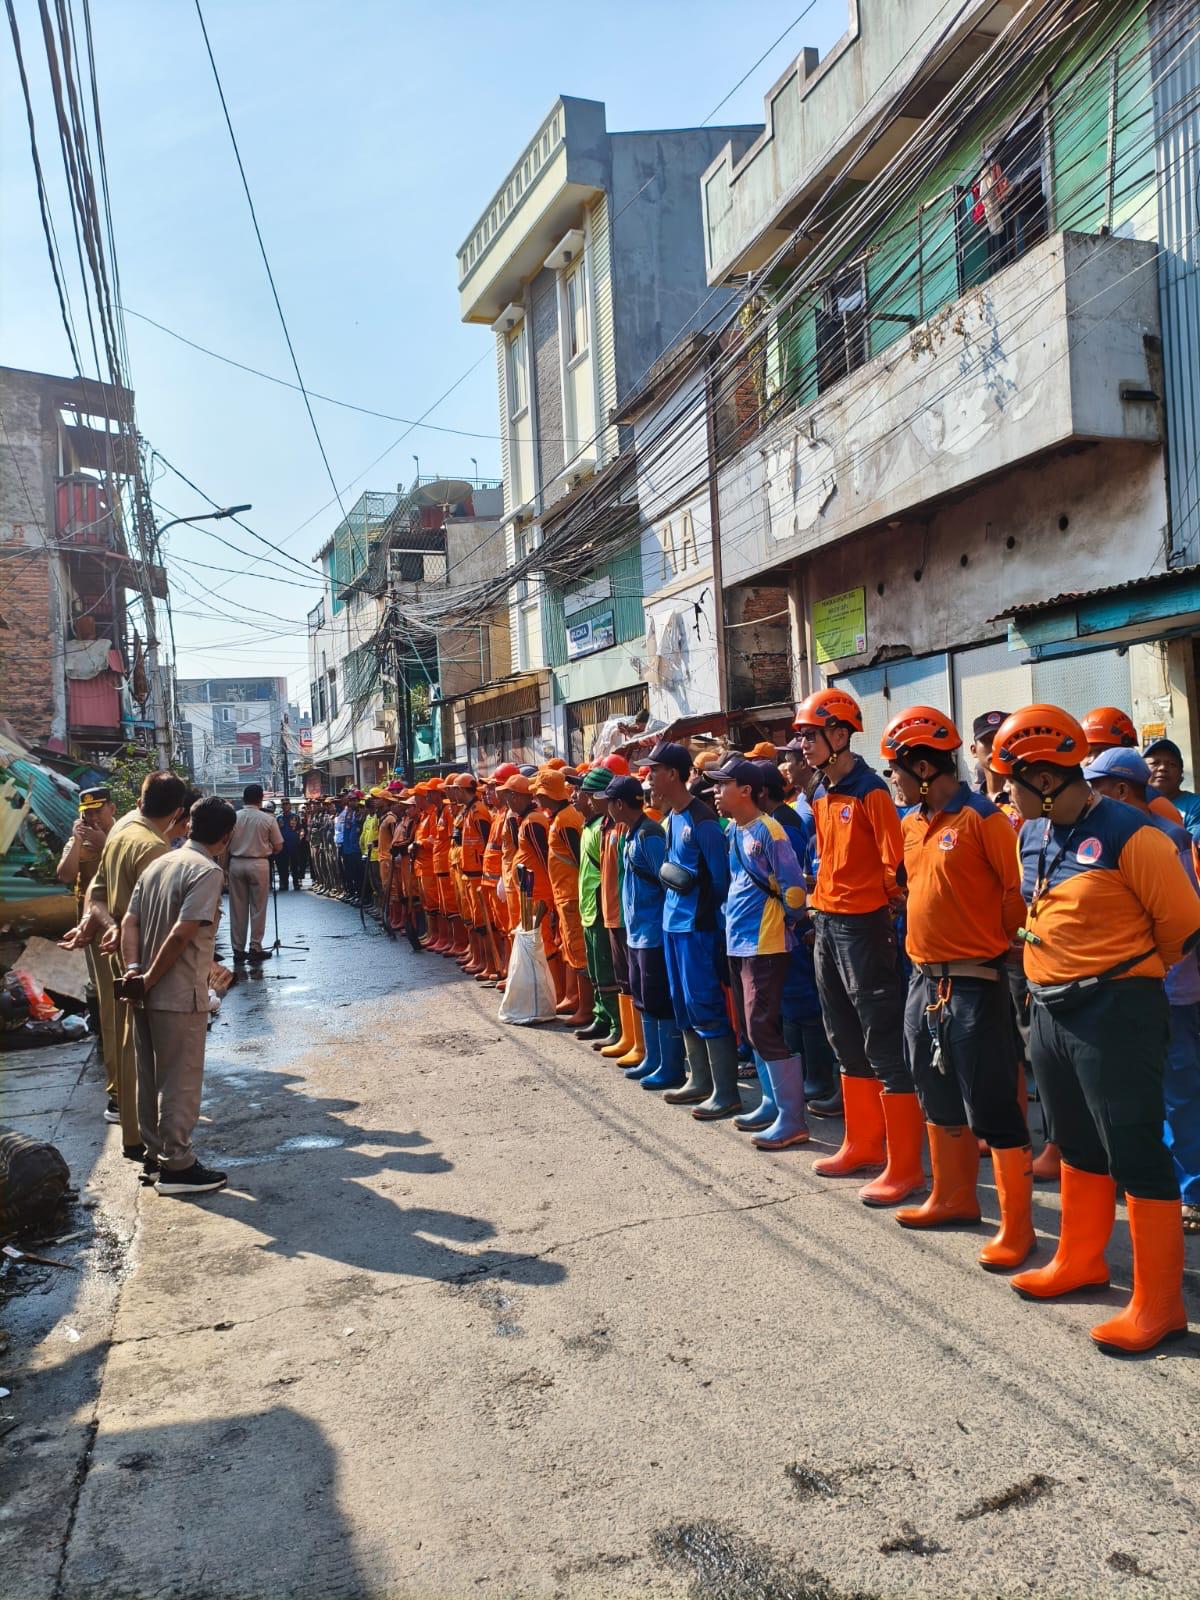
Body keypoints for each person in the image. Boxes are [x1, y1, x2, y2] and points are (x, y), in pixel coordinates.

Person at [992, 704, 1196, 1354]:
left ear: (1046, 777)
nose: (1006, 794)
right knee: (1076, 1143)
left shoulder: (1132, 834)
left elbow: (1183, 926)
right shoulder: (1034, 833)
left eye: (1012, 782)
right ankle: (1081, 1261)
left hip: (1116, 1009)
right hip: (1050, 1008)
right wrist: (1042, 956)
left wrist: (1126, 971)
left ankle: (1159, 1306)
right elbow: (1034, 908)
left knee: (1134, 1148)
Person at [881, 706, 1034, 1268]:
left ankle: (1019, 1228)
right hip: (924, 982)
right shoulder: (911, 823)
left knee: (992, 1103)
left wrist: (999, 940)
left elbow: (1015, 892)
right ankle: (953, 1197)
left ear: (924, 767)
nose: (892, 779)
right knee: (935, 1093)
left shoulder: (983, 820)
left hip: (975, 983)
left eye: (897, 768)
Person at [791, 688, 919, 1207]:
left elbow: (899, 868)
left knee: (882, 1039)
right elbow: (824, 860)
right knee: (842, 1034)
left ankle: (905, 1166)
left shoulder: (872, 791)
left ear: (840, 735)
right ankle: (863, 1144)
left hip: (864, 929)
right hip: (827, 924)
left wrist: (882, 916)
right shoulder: (822, 793)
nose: (802, 745)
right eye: (801, 735)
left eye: (810, 735)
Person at [1084, 746, 1200, 1237]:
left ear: (1123, 790)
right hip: (1135, 988)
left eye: (1098, 786)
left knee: (1177, 1094)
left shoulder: (1163, 836)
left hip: (1169, 989)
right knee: (1141, 1092)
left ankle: (1191, 1191)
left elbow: (1180, 919)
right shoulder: (1120, 831)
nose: (1090, 795)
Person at [60, 773, 191, 1159]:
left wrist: (100, 923)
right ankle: (159, 1149)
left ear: (138, 799)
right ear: (178, 812)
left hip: (114, 946)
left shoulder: (120, 832)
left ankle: (134, 1133)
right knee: (150, 1052)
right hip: (140, 957)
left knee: (123, 1036)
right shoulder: (152, 848)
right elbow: (166, 923)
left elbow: (95, 893)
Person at [118, 795, 237, 1195]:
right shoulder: (205, 871)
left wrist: (135, 971)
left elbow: (129, 923)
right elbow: (182, 932)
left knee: (149, 1079)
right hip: (177, 990)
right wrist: (150, 976)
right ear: (226, 836)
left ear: (187, 825)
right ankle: (177, 1165)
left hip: (143, 991)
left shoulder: (159, 864)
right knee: (180, 1081)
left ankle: (154, 1159)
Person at [710, 757, 811, 1150]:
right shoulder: (735, 829)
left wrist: (794, 923)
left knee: (763, 1027)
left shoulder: (771, 831)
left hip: (766, 943)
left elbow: (793, 888)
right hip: (739, 940)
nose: (716, 793)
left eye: (722, 786)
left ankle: (793, 1119)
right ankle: (771, 1103)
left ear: (746, 790)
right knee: (752, 1029)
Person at [646, 742, 739, 1120]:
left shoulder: (703, 822)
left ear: (672, 774)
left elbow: (721, 881)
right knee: (682, 1003)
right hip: (672, 925)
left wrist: (699, 908)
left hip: (697, 929)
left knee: (705, 1004)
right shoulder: (672, 819)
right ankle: (699, 1079)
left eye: (654, 771)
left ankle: (727, 1092)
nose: (648, 778)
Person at [605, 774, 686, 1089]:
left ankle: (671, 1066)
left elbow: (666, 882)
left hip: (652, 933)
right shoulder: (630, 833)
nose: (607, 807)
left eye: (610, 802)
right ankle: (654, 1058)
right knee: (643, 997)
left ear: (620, 804)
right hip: (636, 932)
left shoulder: (648, 835)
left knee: (658, 1000)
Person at [56, 786, 119, 1123]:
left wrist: (104, 842)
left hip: (123, 920)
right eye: (87, 812)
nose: (92, 817)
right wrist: (81, 842)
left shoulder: (122, 832)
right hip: (93, 924)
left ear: (111, 808)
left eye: (98, 810)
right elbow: (65, 875)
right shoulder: (80, 838)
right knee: (103, 989)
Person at [534, 769, 593, 1025]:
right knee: (570, 947)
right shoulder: (560, 817)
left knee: (579, 951)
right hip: (564, 895)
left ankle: (585, 1007)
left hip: (571, 895)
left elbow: (580, 859)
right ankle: (574, 997)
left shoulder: (566, 819)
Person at [575, 768, 622, 1044]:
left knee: (609, 972)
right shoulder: (596, 827)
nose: (586, 799)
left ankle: (617, 1024)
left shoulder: (611, 829)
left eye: (591, 794)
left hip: (604, 909)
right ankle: (602, 1015)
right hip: (590, 906)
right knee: (595, 969)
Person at [1083, 709, 1183, 826]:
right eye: (1087, 752)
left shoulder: (1157, 806)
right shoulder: (1080, 799)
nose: (1091, 760)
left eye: (1101, 751)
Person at [227, 783, 284, 964]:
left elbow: (225, 844)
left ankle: (237, 949)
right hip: (259, 863)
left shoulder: (233, 818)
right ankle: (255, 946)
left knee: (237, 908)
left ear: (243, 799)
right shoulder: (268, 819)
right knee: (258, 908)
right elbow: (278, 846)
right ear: (261, 799)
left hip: (236, 862)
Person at [1144, 736, 1200, 842]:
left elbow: (1191, 849)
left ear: (1181, 774)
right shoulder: (1132, 804)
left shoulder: (1196, 805)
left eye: (1172, 764)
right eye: (1154, 763)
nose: (1163, 768)